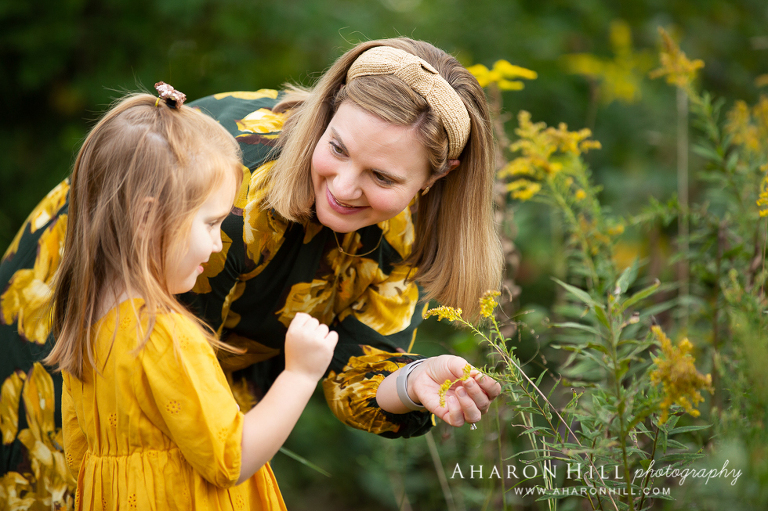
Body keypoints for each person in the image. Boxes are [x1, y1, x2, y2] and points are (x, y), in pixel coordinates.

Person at [0, 37, 503, 482]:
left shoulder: (410, 232)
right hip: (78, 320)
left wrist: (412, 381)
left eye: (383, 177)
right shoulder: (236, 194)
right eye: (337, 148)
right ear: (328, 110)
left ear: (437, 176)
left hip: (201, 370)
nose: (345, 187)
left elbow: (354, 367)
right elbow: (161, 367)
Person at [41, 82, 341, 509]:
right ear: (148, 216)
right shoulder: (162, 333)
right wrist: (300, 374)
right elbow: (231, 459)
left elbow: (78, 457)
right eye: (211, 223)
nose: (219, 244)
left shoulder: (85, 324)